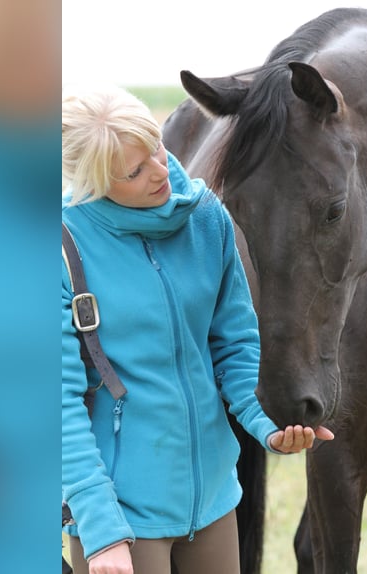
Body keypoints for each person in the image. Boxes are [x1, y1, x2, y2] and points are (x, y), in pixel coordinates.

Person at [61, 84, 334, 574]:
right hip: (122, 521)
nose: (161, 173)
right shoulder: (59, 251)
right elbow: (58, 410)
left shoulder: (208, 219)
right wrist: (101, 533)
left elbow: (234, 345)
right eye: (134, 171)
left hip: (213, 504)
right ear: (93, 182)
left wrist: (269, 426)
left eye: (157, 150)